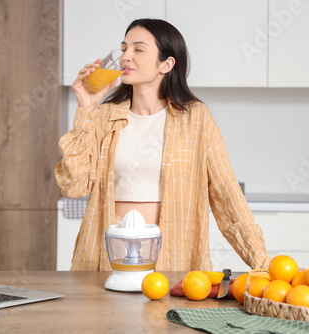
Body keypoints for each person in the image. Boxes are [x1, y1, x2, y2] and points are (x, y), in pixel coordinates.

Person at [55, 18, 271, 271]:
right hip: (107, 255)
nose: (125, 57)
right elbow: (74, 185)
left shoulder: (196, 119)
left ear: (166, 64)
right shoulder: (102, 116)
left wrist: (262, 262)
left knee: (168, 312)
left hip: (173, 258)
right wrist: (86, 108)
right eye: (124, 48)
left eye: (138, 49)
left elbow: (227, 195)